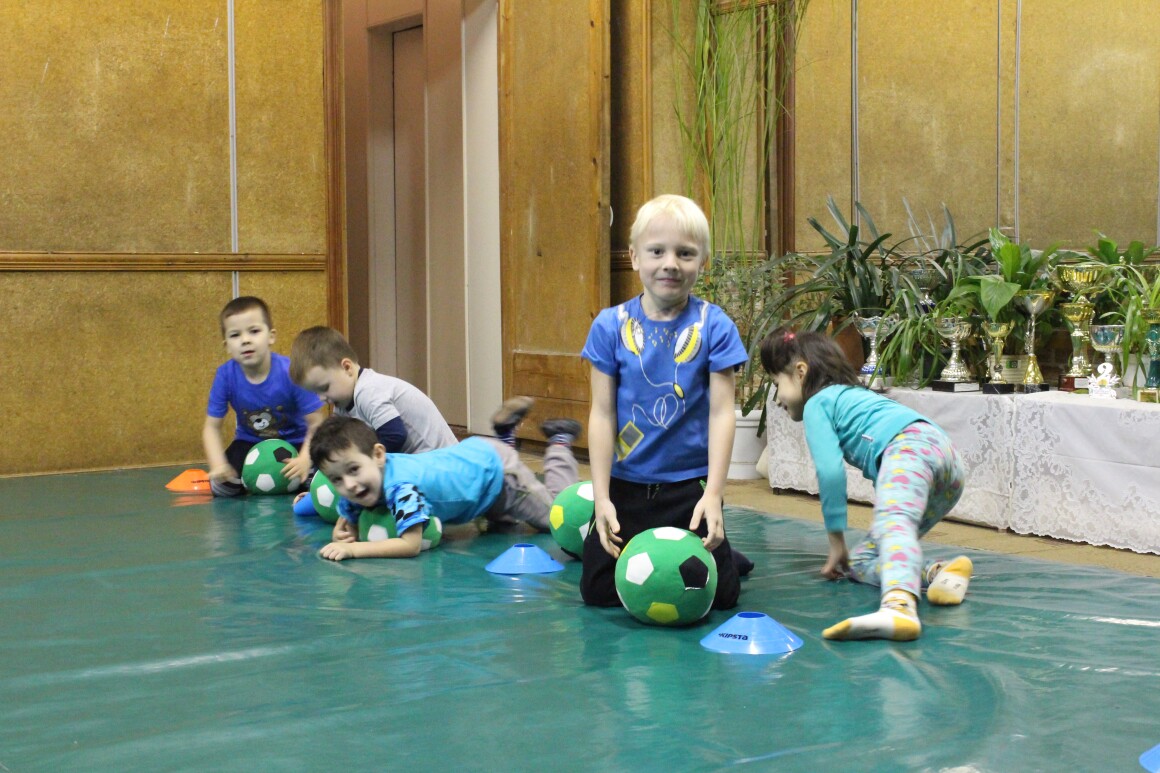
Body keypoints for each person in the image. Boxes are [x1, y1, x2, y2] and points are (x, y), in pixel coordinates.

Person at [579, 194, 749, 612]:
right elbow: (601, 413)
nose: (670, 263)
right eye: (657, 251)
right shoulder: (609, 326)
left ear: (702, 261)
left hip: (687, 486)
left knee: (722, 597)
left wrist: (714, 494)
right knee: (598, 592)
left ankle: (728, 556)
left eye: (685, 253)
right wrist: (601, 497)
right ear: (634, 257)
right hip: (626, 484)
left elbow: (721, 413)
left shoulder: (714, 326)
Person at [759, 327, 973, 641]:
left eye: (777, 384)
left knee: (894, 524)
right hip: (947, 463)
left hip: (909, 449)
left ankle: (899, 606)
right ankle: (940, 573)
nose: (777, 398)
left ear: (801, 372)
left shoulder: (819, 403)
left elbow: (830, 473)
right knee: (861, 560)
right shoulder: (855, 396)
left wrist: (836, 540)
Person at [309, 413, 582, 560]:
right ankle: (505, 434)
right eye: (336, 480)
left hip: (497, 472)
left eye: (353, 470)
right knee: (505, 525)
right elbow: (349, 514)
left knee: (556, 518)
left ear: (379, 455)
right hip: (474, 472)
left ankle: (559, 441)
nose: (349, 485)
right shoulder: (362, 484)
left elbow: (410, 545)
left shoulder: (402, 487)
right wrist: (346, 526)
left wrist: (353, 549)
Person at [203, 296, 326, 497]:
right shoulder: (225, 375)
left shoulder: (290, 372)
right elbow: (211, 427)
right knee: (223, 487)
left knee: (320, 478)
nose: (245, 340)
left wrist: (305, 458)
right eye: (235, 335)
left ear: (271, 336)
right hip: (250, 442)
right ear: (227, 346)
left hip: (297, 441)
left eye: (254, 331)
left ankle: (301, 476)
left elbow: (317, 422)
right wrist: (218, 465)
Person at [289, 326, 457, 454]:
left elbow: (395, 435)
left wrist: (363, 462)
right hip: (417, 461)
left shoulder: (368, 391)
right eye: (315, 392)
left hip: (439, 461)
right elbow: (337, 441)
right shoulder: (342, 404)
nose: (321, 398)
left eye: (324, 388)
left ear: (347, 368)